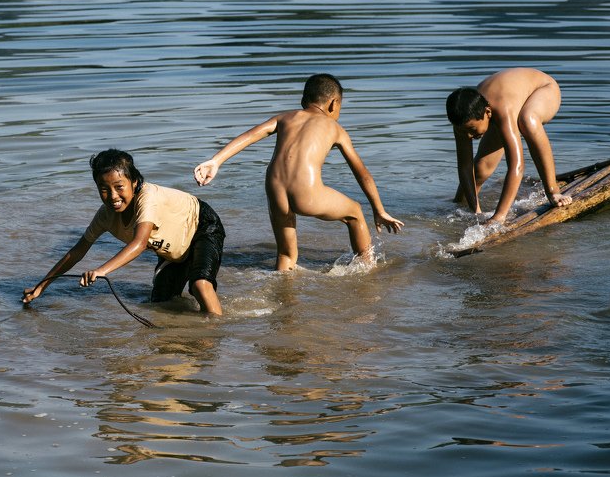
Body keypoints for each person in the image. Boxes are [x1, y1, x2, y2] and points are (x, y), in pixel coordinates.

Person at [193, 73, 403, 271]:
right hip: (307, 191)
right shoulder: (335, 128)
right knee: (355, 212)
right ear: (333, 104)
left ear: (304, 100)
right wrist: (379, 209)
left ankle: (283, 290)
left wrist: (216, 161)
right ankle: (367, 271)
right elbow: (362, 173)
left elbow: (250, 135)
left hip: (275, 189)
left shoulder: (285, 117)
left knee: (286, 255)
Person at [23, 149, 226, 315]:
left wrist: (101, 270)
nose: (113, 196)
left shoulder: (147, 198)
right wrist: (42, 285)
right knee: (161, 305)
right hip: (173, 248)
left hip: (202, 224)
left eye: (119, 186)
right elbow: (77, 251)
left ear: (134, 182)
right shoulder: (105, 216)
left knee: (200, 285)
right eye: (103, 188)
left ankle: (215, 339)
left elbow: (138, 244)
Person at [446, 67, 572, 224]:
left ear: (488, 113)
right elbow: (465, 167)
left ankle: (553, 191)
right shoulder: (462, 117)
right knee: (480, 169)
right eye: (463, 132)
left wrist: (499, 217)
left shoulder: (502, 110)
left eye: (472, 130)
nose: (469, 137)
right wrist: (475, 212)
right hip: (506, 100)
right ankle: (458, 205)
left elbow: (516, 167)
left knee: (527, 120)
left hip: (544, 90)